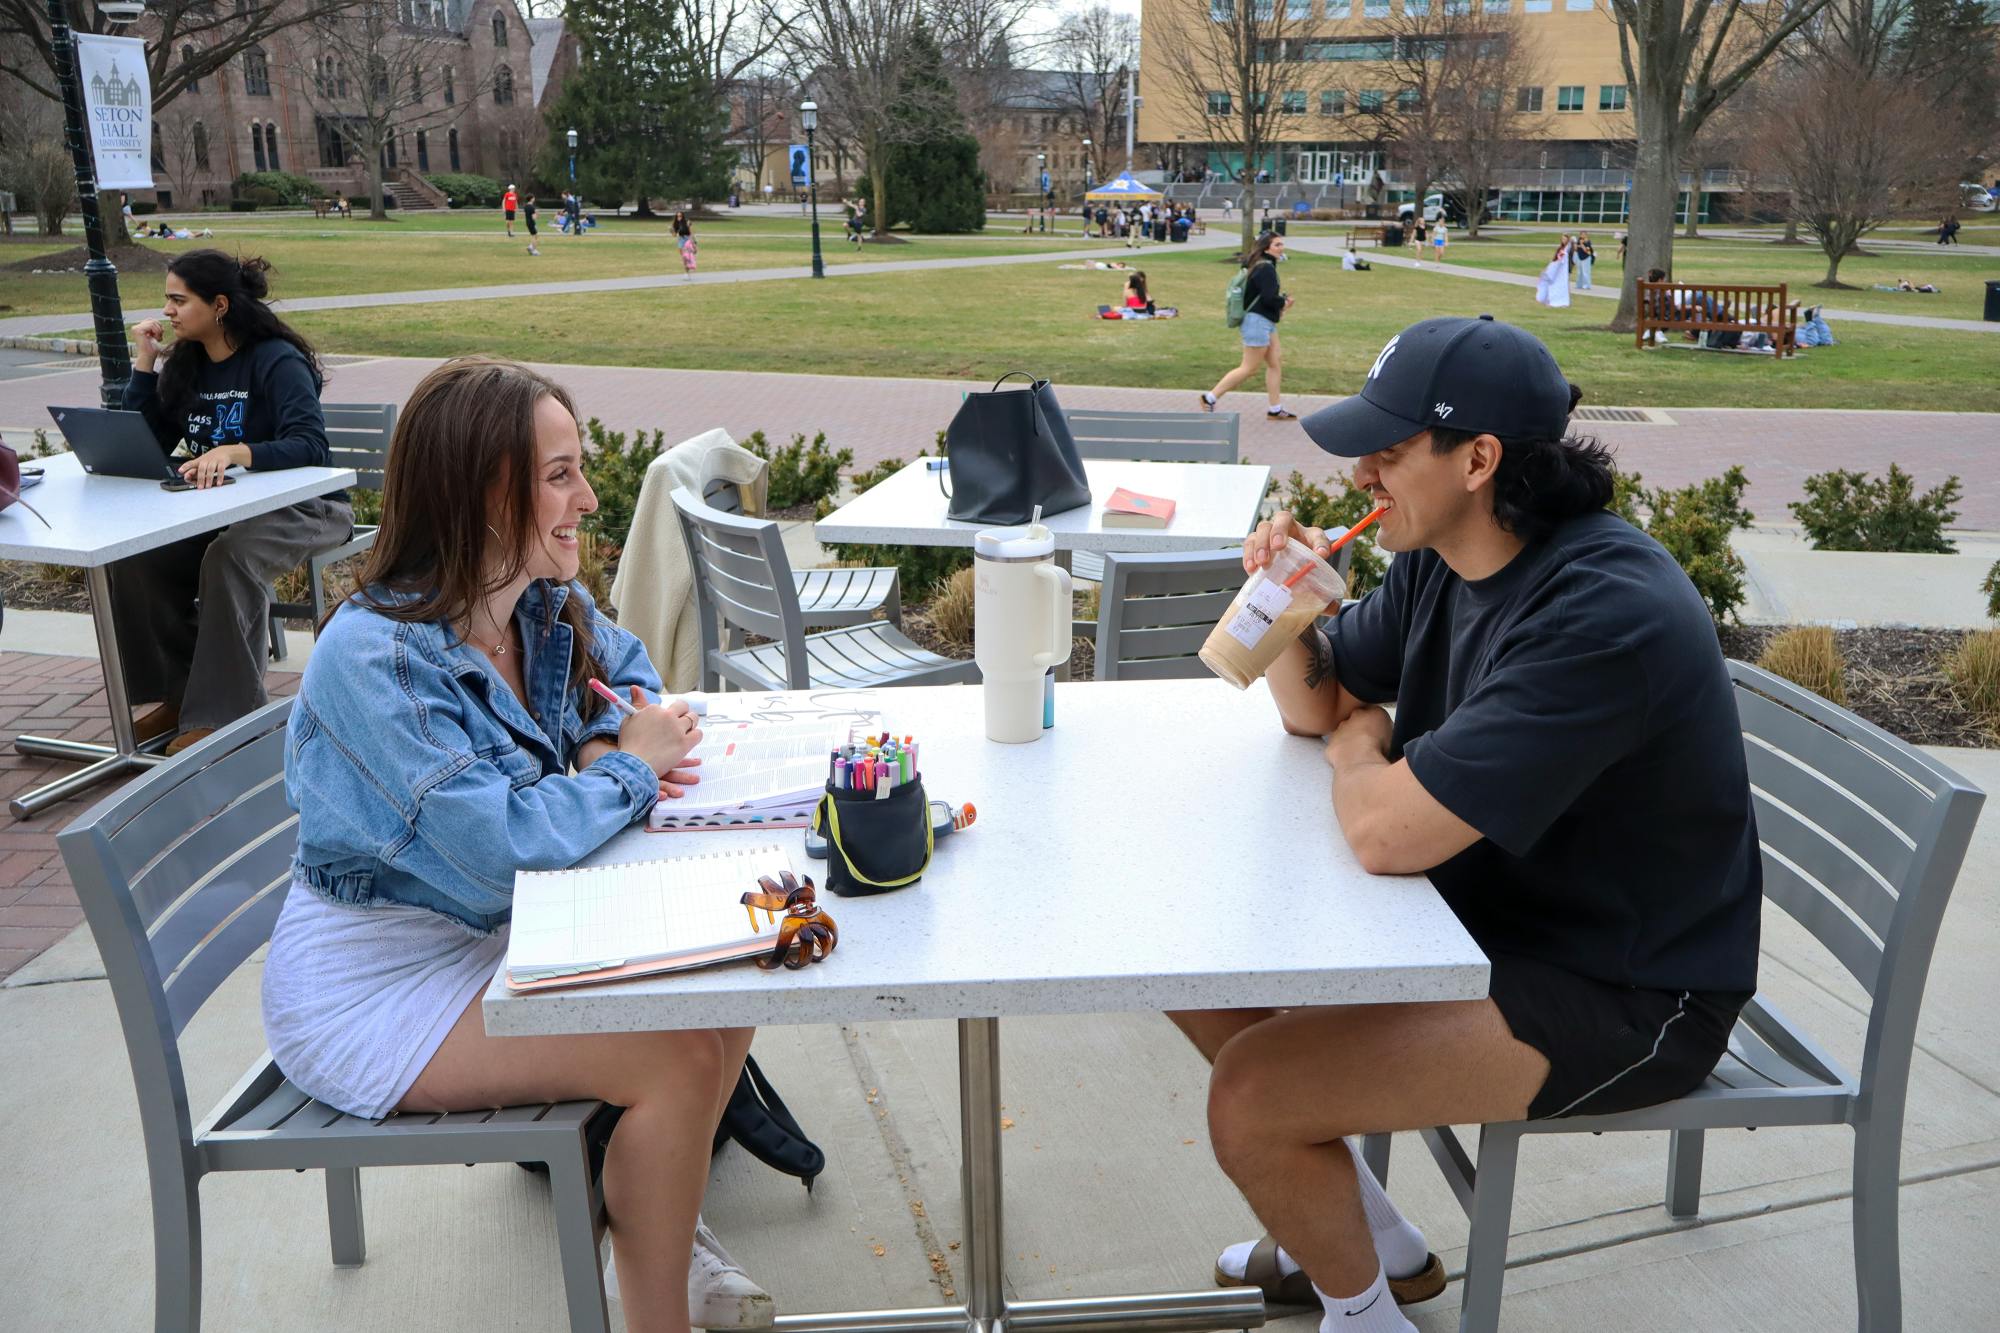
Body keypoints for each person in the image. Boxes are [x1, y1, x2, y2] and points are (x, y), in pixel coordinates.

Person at [1188, 316, 1759, 1333]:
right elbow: (1316, 709)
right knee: (1195, 969)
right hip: (1490, 921)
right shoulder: (1441, 549)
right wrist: (1282, 604)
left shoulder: (1597, 614)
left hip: (1623, 986)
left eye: (1388, 449)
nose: (1361, 473)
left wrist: (1365, 753)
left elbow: (1381, 833)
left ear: (1478, 459)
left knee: (1251, 1096)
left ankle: (1361, 1313)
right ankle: (1372, 1251)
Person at [263, 355, 774, 1333]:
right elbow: (503, 846)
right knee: (671, 1059)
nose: (585, 496)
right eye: (559, 475)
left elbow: (626, 674)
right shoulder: (380, 655)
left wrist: (595, 742)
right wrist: (620, 771)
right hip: (376, 987)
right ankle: (655, 1303)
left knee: (731, 979)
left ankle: (656, 1229)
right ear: (484, 491)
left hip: (498, 927)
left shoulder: (534, 602)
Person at [112, 251, 353, 755]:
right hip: (223, 510)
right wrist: (144, 361)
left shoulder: (275, 360)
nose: (168, 311)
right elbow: (149, 442)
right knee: (140, 555)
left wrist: (238, 451)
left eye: (179, 300)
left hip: (310, 508)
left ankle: (227, 716)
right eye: (167, 300)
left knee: (230, 557)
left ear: (219, 305)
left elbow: (312, 445)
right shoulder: (189, 364)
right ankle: (182, 697)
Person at [1200, 231, 1296, 422]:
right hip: (1257, 322)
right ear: (1267, 248)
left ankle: (1275, 409)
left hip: (1265, 322)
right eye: (1277, 244)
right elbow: (1269, 298)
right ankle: (1209, 397)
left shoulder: (1260, 265)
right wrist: (1284, 302)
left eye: (1281, 244)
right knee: (1249, 368)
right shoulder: (1266, 268)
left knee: (1275, 363)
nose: (1281, 247)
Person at [1534, 236, 1572, 309]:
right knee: (1551, 285)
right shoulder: (1560, 249)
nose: (1563, 240)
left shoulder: (1567, 250)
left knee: (1562, 286)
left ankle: (1563, 301)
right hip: (1556, 271)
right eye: (1562, 239)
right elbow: (1555, 260)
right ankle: (1550, 300)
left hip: (1562, 273)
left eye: (1565, 239)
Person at [673, 211, 697, 280]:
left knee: (687, 257)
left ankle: (687, 273)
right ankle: (687, 272)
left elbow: (691, 233)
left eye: (680, 216)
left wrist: (694, 243)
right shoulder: (676, 224)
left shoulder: (687, 223)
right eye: (677, 216)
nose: (679, 217)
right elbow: (674, 235)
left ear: (683, 216)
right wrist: (672, 231)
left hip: (687, 241)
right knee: (684, 258)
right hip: (680, 241)